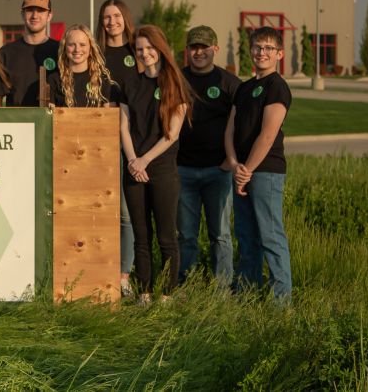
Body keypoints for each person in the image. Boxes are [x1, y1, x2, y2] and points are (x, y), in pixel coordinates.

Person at [119, 24, 191, 303]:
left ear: (160, 49)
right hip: (133, 168)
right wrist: (132, 161)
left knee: (166, 236)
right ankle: (145, 293)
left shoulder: (175, 84)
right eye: (140, 49)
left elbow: (172, 134)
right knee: (141, 236)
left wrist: (145, 161)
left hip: (161, 169)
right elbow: (124, 127)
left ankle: (166, 294)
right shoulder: (130, 84)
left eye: (150, 48)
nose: (145, 53)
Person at [224, 26, 293, 300]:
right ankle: (247, 293)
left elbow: (267, 135)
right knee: (246, 236)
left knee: (270, 235)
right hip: (241, 170)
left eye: (268, 48)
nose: (261, 52)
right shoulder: (244, 88)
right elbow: (229, 130)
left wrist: (247, 171)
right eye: (257, 47)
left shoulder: (277, 86)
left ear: (279, 54)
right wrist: (234, 164)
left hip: (265, 172)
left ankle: (281, 301)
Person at [177, 25, 241, 286]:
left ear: (215, 48)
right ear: (187, 50)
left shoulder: (229, 83)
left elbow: (243, 124)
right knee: (186, 235)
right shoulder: (177, 79)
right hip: (183, 170)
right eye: (194, 47)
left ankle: (222, 288)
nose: (199, 52)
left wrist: (230, 160)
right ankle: (185, 285)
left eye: (204, 47)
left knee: (221, 235)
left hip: (218, 171)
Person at [95, 0, 139, 294]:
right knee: (102, 207)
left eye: (117, 16)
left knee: (127, 211)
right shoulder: (95, 53)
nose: (112, 22)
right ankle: (100, 268)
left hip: (134, 140)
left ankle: (125, 272)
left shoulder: (136, 50)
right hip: (101, 138)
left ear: (125, 18)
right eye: (107, 17)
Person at [0, 0, 60, 106]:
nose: (35, 15)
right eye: (30, 10)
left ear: (49, 16)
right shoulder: (6, 53)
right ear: (22, 14)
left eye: (40, 10)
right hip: (17, 117)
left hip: (51, 117)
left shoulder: (60, 51)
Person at [47, 24, 118, 108]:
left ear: (90, 48)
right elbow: (48, 114)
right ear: (64, 48)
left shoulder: (103, 79)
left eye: (82, 45)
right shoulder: (54, 80)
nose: (77, 49)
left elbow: (111, 115)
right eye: (71, 45)